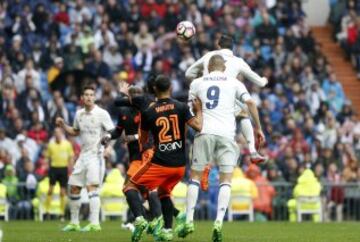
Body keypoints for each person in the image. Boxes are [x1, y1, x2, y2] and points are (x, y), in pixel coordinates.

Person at [176, 55, 265, 242]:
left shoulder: (197, 83)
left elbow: (191, 109)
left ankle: (189, 221)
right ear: (224, 68)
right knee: (226, 180)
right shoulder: (234, 82)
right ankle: (218, 222)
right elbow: (249, 103)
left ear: (208, 66)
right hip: (227, 135)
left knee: (194, 179)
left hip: (204, 133)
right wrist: (258, 128)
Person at [122, 75, 203, 242]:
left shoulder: (148, 111)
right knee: (164, 193)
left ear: (154, 90)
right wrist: (199, 111)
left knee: (129, 186)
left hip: (160, 162)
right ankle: (167, 230)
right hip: (180, 166)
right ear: (171, 88)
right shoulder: (181, 107)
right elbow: (198, 127)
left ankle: (139, 219)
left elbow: (143, 141)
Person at [185, 34, 267, 164]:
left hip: (206, 102)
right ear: (232, 48)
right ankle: (252, 151)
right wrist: (264, 80)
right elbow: (259, 82)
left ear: (218, 45)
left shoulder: (209, 56)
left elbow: (188, 73)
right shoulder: (238, 61)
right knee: (244, 112)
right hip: (227, 101)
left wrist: (201, 76)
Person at [56, 85, 114, 232]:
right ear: (82, 98)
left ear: (94, 97)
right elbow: (75, 132)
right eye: (86, 95)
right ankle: (74, 223)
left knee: (91, 188)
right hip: (83, 155)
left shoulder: (102, 113)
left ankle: (95, 223)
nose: (89, 97)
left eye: (91, 95)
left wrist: (108, 147)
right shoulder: (79, 114)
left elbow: (113, 132)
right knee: (74, 188)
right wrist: (63, 125)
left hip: (97, 155)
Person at [45, 127, 74, 218]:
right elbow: (48, 158)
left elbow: (71, 157)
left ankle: (62, 213)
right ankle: (47, 211)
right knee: (50, 190)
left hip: (63, 169)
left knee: (62, 191)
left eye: (58, 132)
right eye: (55, 132)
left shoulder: (67, 144)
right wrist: (48, 167)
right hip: (53, 168)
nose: (57, 134)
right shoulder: (51, 145)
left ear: (61, 133)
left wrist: (71, 168)